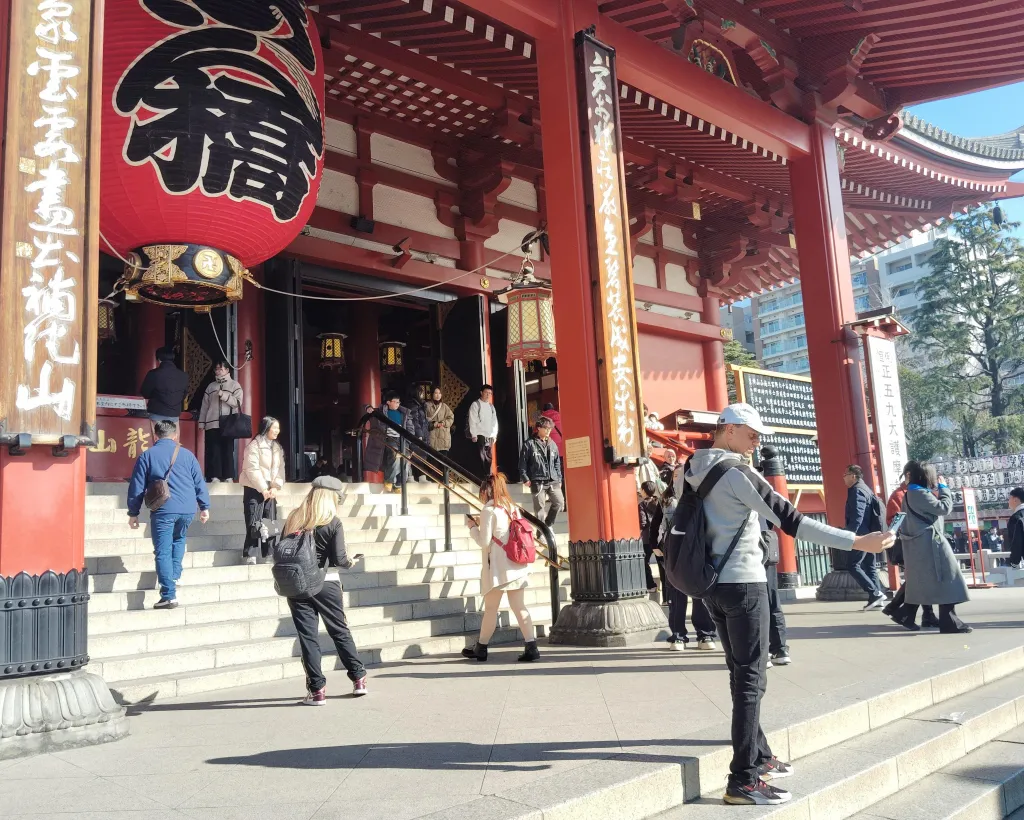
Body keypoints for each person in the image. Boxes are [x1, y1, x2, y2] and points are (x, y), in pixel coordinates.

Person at [684, 403, 892, 806]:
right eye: (751, 433)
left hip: (711, 585)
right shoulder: (738, 473)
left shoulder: (689, 470)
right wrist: (857, 541)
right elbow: (792, 520)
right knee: (750, 679)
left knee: (741, 672)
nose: (756, 441)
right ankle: (743, 779)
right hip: (744, 584)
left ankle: (758, 755)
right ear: (728, 430)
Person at [282, 476, 368, 703]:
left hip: (298, 585)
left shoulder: (294, 518)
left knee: (307, 637)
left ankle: (317, 690)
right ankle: (358, 678)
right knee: (339, 630)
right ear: (331, 498)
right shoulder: (333, 521)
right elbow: (339, 559)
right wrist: (351, 562)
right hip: (327, 583)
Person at [127, 420, 211, 609]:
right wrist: (204, 507)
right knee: (179, 540)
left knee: (163, 551)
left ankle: (168, 595)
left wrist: (133, 512)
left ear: (155, 436)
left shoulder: (147, 456)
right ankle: (174, 575)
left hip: (164, 509)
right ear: (175, 436)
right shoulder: (188, 455)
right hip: (188, 509)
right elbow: (200, 482)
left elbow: (137, 487)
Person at [461, 473, 539, 662]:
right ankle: (531, 646)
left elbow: (484, 541)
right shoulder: (512, 507)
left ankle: (482, 647)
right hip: (517, 564)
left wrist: (472, 527)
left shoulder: (489, 510)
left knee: (491, 609)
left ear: (486, 490)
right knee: (519, 606)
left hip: (499, 568)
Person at [897, 463, 972, 634]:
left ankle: (909, 614)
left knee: (933, 583)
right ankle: (948, 622)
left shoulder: (909, 493)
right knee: (950, 579)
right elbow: (944, 508)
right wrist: (944, 488)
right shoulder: (920, 493)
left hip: (920, 544)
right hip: (932, 544)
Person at [656, 474, 718, 650]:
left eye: (682, 474)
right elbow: (655, 524)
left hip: (697, 548)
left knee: (701, 592)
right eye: (675, 475)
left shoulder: (703, 494)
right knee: (676, 594)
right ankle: (678, 635)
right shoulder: (666, 499)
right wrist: (655, 545)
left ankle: (705, 635)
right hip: (673, 549)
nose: (679, 478)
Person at [882, 468, 939, 629]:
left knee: (919, 579)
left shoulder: (921, 494)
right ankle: (902, 610)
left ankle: (906, 610)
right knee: (919, 579)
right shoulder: (899, 495)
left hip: (920, 543)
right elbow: (894, 521)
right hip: (911, 544)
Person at [239, 417, 285, 566]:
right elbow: (251, 469)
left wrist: (275, 486)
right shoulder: (254, 446)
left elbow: (280, 470)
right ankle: (250, 554)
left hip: (270, 489)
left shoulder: (277, 447)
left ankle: (269, 553)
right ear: (266, 428)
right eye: (274, 428)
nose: (277, 431)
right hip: (254, 487)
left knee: (270, 522)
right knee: (253, 521)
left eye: (278, 428)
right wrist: (263, 488)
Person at [843, 464, 886, 610]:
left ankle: (874, 593)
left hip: (861, 535)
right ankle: (878, 598)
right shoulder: (866, 489)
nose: (844, 478)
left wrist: (850, 535)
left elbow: (857, 516)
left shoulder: (857, 491)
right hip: (870, 533)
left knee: (852, 565)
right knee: (870, 566)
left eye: (845, 475)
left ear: (853, 476)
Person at [198, 362, 243, 483]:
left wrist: (224, 395)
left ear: (227, 370)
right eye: (216, 369)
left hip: (228, 423)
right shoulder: (211, 386)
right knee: (214, 450)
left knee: (228, 449)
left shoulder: (235, 385)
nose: (218, 371)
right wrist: (202, 422)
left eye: (220, 369)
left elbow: (237, 403)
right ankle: (215, 476)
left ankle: (228, 476)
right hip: (212, 423)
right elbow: (204, 406)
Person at [519, 416, 564, 527]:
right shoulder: (529, 444)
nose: (549, 431)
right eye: (546, 428)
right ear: (538, 428)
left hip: (553, 480)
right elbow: (523, 462)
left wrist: (559, 478)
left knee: (559, 503)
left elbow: (557, 463)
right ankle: (541, 534)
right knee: (539, 509)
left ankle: (547, 525)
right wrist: (525, 478)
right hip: (537, 480)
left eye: (550, 429)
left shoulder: (553, 444)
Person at [140, 346, 188, 426]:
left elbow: (145, 393)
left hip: (157, 412)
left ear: (158, 359)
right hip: (174, 413)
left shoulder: (154, 374)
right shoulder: (183, 375)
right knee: (172, 437)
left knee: (157, 437)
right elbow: (184, 394)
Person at [379, 391, 414, 493]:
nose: (397, 404)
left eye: (399, 402)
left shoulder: (404, 413)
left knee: (406, 460)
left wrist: (410, 440)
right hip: (390, 439)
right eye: (395, 402)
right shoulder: (383, 411)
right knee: (395, 458)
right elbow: (368, 408)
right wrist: (368, 407)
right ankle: (389, 480)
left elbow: (410, 428)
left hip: (403, 440)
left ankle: (399, 483)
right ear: (388, 402)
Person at [468, 384, 499, 475]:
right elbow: (472, 420)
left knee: (489, 457)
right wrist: (473, 434)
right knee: (481, 457)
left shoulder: (491, 406)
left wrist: (494, 435)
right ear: (481, 392)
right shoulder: (476, 404)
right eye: (486, 392)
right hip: (479, 435)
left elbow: (495, 422)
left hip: (489, 435)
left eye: (490, 393)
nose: (488, 395)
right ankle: (481, 477)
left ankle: (488, 476)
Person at [639, 480, 661, 594]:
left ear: (644, 491)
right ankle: (667, 594)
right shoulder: (659, 502)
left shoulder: (642, 505)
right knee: (663, 565)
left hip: (647, 539)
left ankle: (651, 585)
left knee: (644, 562)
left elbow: (643, 522)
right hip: (660, 537)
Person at [425, 386, 455, 453]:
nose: (438, 395)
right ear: (432, 394)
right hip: (432, 437)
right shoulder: (427, 405)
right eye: (436, 393)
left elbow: (451, 417)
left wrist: (443, 423)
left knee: (443, 461)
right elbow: (424, 419)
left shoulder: (444, 406)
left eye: (439, 393)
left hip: (443, 438)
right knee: (430, 461)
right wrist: (435, 424)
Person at [1007, 487, 1024, 568]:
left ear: (1015, 499)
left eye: (1009, 498)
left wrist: (1014, 561)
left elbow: (1016, 541)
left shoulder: (1016, 518)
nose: (1008, 501)